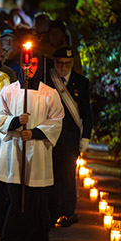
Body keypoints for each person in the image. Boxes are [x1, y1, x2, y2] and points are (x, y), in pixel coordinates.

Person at [0, 53, 64, 241]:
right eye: (25, 63)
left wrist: (34, 133)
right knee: (14, 199)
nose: (28, 68)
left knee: (30, 202)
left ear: (37, 66)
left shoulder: (49, 93)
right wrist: (15, 122)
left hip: (37, 151)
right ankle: (8, 240)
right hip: (14, 152)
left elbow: (56, 120)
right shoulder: (8, 91)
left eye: (32, 64)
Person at [44, 46, 93, 227]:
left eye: (67, 63)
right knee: (51, 177)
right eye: (59, 63)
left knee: (67, 177)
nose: (63, 67)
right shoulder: (47, 79)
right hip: (50, 135)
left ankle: (68, 212)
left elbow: (86, 112)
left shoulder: (81, 82)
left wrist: (85, 136)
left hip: (70, 139)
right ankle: (51, 213)